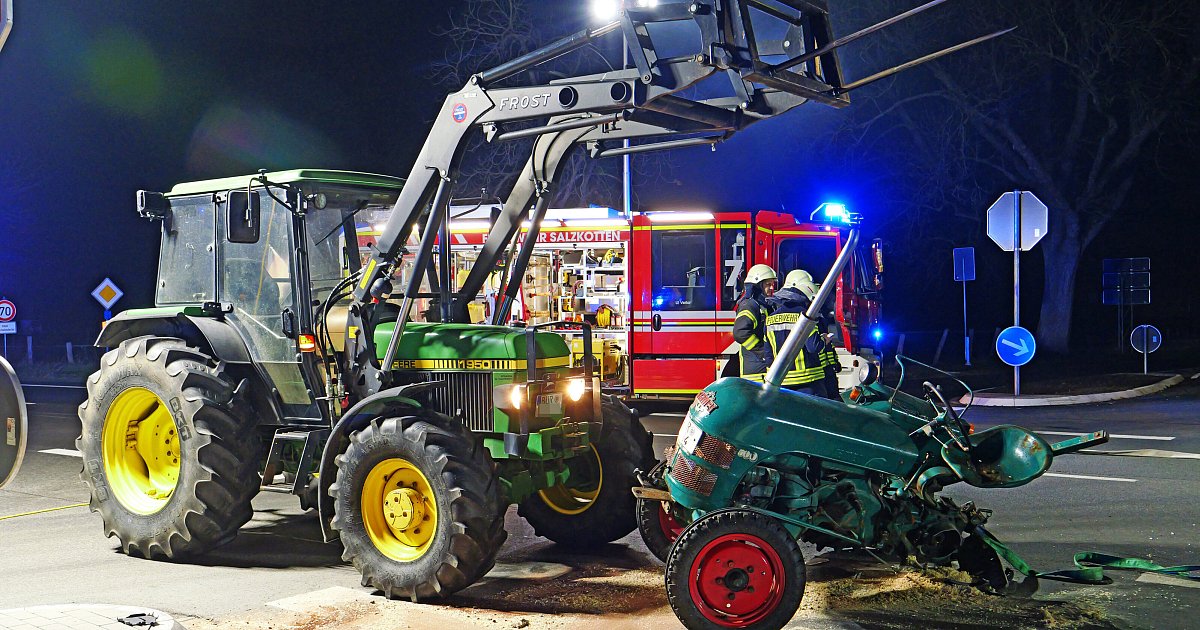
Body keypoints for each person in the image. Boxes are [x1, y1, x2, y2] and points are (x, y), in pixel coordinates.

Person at [765, 270, 831, 397]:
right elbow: (814, 347)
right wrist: (824, 340)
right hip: (809, 383)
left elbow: (768, 355)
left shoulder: (770, 319)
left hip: (780, 382)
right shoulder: (805, 317)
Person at [733, 264, 777, 382]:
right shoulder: (750, 305)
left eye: (772, 284)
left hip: (763, 369)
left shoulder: (764, 305)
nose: (772, 288)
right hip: (756, 372)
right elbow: (740, 332)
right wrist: (762, 351)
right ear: (757, 286)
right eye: (768, 285)